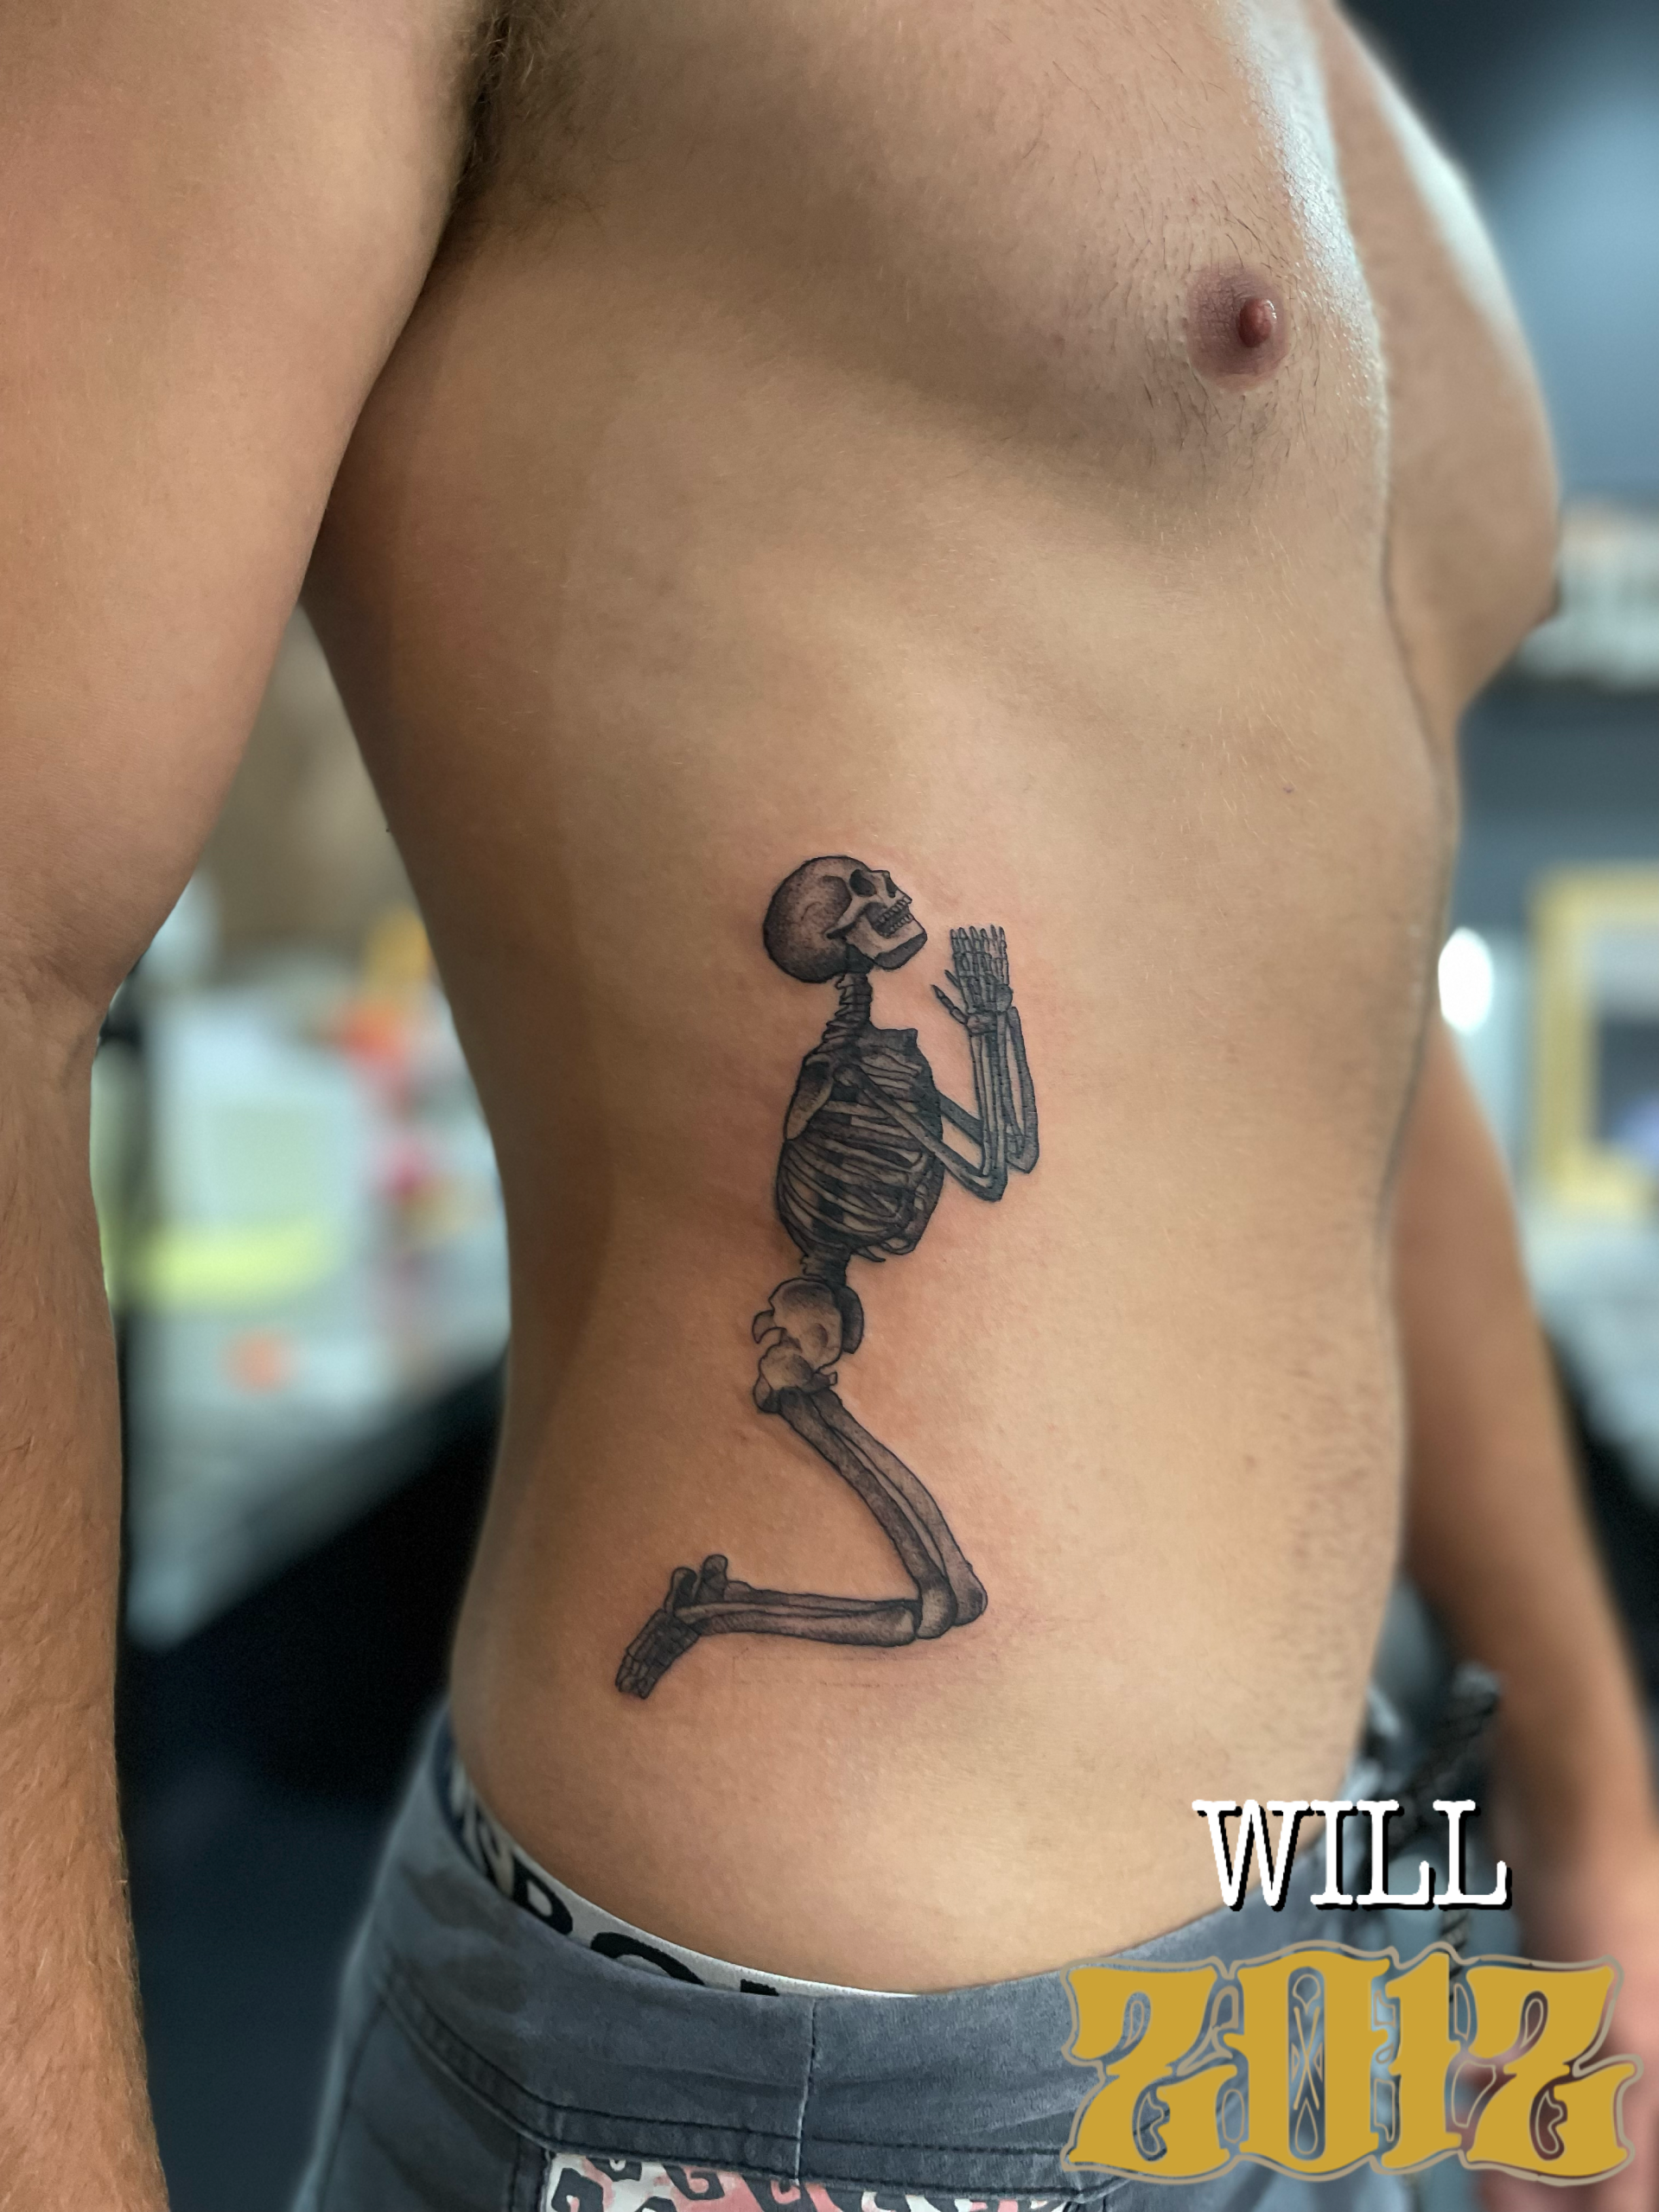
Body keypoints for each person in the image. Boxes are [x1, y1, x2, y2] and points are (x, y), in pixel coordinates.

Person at [2, 2, 1655, 2206]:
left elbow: (1327, 1028)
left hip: (1343, 1940)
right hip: (836, 2092)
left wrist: (1584, 1787)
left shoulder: (1351, 102)